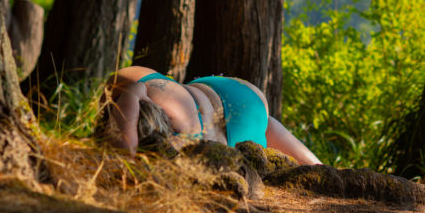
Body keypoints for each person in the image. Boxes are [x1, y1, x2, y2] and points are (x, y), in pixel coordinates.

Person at [98, 66, 322, 165]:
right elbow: (123, 146)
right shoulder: (140, 84)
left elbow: (123, 153)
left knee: (265, 127)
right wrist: (135, 93)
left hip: (244, 133)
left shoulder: (178, 149)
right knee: (266, 124)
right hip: (243, 99)